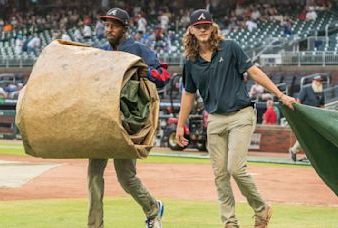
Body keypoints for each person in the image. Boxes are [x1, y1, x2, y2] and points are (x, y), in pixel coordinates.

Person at [175, 9, 296, 228]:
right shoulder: (190, 61)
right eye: (198, 26)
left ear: (212, 28)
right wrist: (180, 125)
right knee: (220, 175)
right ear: (191, 30)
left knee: (235, 169)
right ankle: (230, 223)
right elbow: (189, 94)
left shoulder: (230, 47)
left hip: (241, 114)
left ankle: (261, 208)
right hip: (215, 119)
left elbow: (255, 72)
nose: (203, 29)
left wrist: (279, 95)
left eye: (206, 26)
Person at [88, 7, 170, 228]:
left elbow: (164, 76)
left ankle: (153, 210)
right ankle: (95, 225)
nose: (109, 29)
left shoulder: (138, 50)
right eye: (106, 25)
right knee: (94, 175)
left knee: (126, 178)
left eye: (114, 25)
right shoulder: (101, 52)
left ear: (125, 28)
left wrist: (148, 73)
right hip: (102, 120)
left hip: (127, 122)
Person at [289, 75, 325, 162]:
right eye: (317, 81)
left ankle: (299, 152)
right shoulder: (306, 88)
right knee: (306, 135)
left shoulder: (321, 91)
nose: (318, 82)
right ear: (313, 81)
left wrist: (323, 115)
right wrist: (299, 113)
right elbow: (299, 101)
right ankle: (295, 150)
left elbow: (322, 105)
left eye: (320, 81)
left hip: (315, 117)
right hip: (304, 115)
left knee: (311, 136)